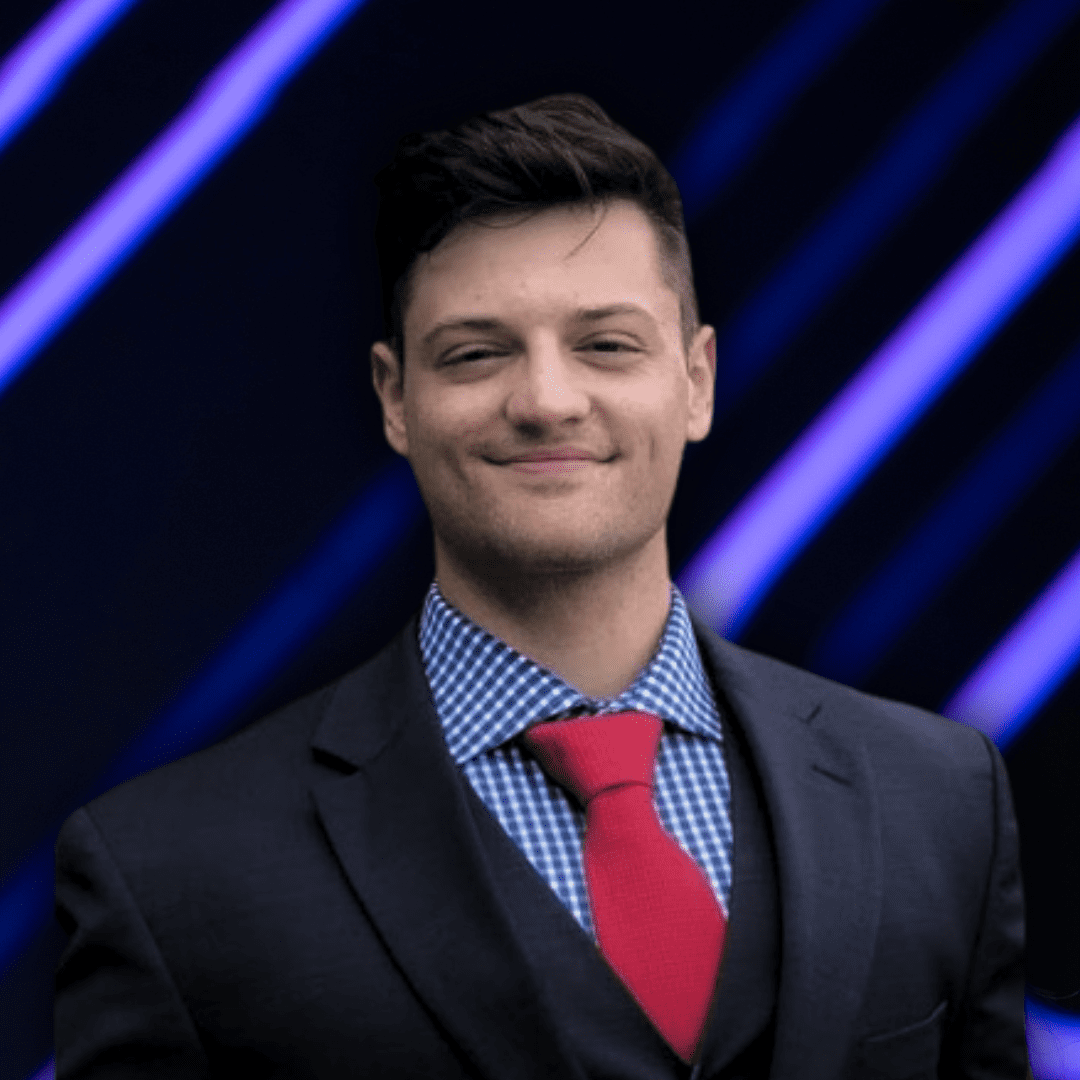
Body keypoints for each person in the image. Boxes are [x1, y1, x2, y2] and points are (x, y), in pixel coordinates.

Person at [54, 93, 1028, 1079]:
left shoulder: (941, 801)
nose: (547, 401)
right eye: (477, 354)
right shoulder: (167, 877)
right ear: (396, 398)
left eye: (607, 344)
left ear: (697, 380)